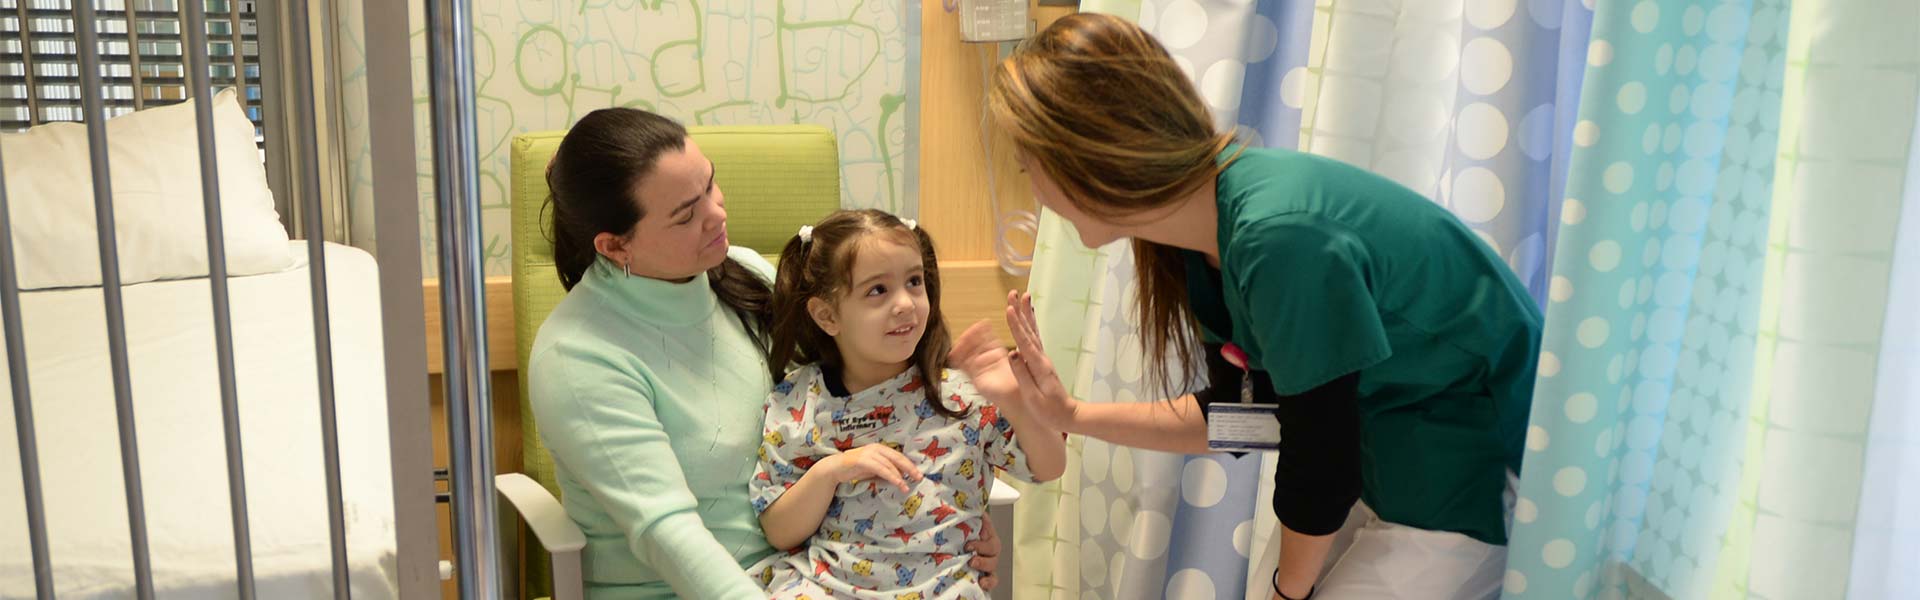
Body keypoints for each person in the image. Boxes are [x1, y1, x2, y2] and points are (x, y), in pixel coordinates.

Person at [986, 13, 1544, 600]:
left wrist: (1288, 592)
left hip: (1468, 474)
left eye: (1032, 170)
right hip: (1393, 467)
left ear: (1088, 158)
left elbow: (1318, 457)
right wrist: (1070, 415)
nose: (1038, 195)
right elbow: (1249, 415)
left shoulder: (1277, 236)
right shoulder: (1203, 240)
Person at [527, 108, 1004, 599]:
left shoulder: (742, 274)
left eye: (710, 185)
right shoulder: (579, 356)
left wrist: (939, 534)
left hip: (818, 572)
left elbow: (861, 402)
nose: (717, 214)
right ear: (614, 246)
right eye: (686, 214)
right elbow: (666, 533)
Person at [748, 209, 1065, 599]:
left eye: (914, 282)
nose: (905, 303)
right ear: (827, 315)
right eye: (877, 290)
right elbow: (779, 532)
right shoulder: (800, 400)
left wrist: (1015, 400)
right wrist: (832, 471)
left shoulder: (959, 394)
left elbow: (1050, 466)